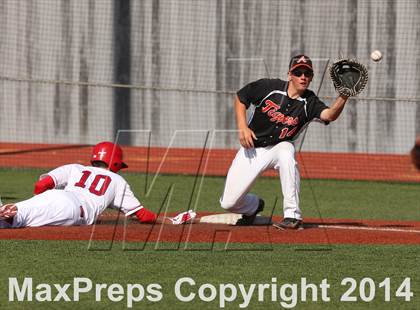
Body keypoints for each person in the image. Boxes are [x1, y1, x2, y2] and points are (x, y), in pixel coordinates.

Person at [220, 54, 349, 230]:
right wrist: (242, 126)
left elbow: (329, 115)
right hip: (252, 148)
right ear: (290, 74)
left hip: (279, 147)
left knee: (287, 150)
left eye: (307, 73)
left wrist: (344, 96)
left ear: (311, 77)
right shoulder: (270, 87)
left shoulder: (309, 102)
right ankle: (254, 206)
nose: (303, 76)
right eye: (298, 72)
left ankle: (292, 215)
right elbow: (241, 97)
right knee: (229, 203)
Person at [0, 141, 194, 228]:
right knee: (14, 220)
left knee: (16, 213)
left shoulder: (75, 168)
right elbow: (143, 216)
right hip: (73, 210)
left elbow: (42, 185)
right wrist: (170, 220)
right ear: (116, 163)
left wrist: (40, 201)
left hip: (53, 197)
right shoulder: (118, 181)